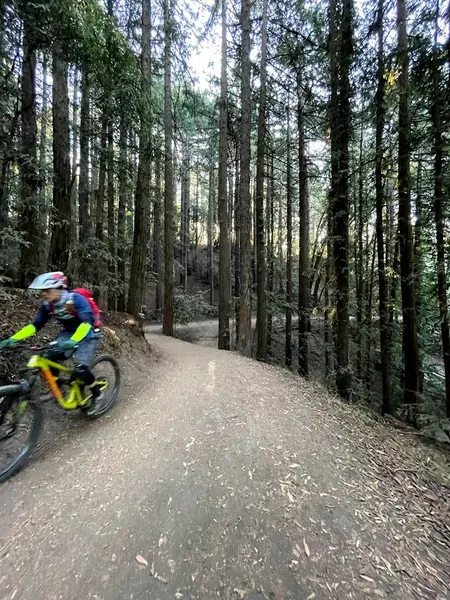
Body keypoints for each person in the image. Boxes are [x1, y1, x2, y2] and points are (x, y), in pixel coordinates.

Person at [0, 272, 103, 405]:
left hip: (89, 333)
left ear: (60, 288)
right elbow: (35, 326)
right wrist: (13, 339)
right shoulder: (48, 306)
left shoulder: (76, 299)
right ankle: (57, 387)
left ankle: (96, 391)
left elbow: (86, 323)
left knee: (81, 368)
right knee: (48, 358)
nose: (43, 293)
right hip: (69, 333)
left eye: (47, 290)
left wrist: (74, 340)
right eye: (42, 290)